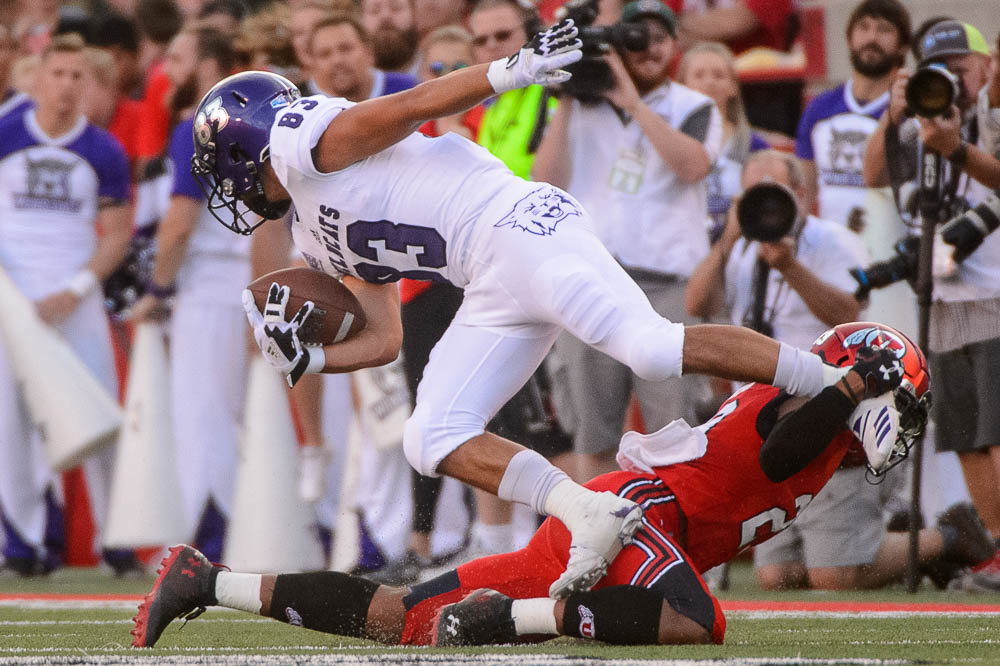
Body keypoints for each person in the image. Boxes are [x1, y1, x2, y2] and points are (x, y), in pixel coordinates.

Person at [189, 20, 862, 601]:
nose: (227, 185)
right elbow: (385, 336)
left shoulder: (302, 138)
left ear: (250, 144)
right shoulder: (309, 234)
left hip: (517, 224)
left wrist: (507, 73)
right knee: (433, 436)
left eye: (223, 164)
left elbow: (410, 103)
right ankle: (588, 512)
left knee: (651, 348)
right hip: (485, 278)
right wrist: (313, 357)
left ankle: (839, 380)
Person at [135, 322, 979, 649]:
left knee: (399, 620)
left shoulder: (823, 422)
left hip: (635, 526)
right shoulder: (798, 408)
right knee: (697, 620)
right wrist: (848, 392)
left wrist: (848, 401)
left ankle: (207, 579)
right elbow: (779, 455)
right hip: (638, 516)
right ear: (861, 379)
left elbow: (814, 454)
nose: (901, 420)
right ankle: (513, 621)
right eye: (899, 397)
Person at [533, 0, 719, 482]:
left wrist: (631, 101)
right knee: (593, 438)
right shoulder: (580, 107)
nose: (649, 48)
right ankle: (595, 550)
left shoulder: (692, 105)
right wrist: (571, 93)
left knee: (675, 437)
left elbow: (692, 166)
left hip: (666, 289)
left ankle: (685, 554)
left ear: (676, 45)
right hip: (593, 286)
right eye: (636, 37)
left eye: (659, 37)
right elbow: (545, 180)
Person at [862, 18, 1000, 575]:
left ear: (985, 66)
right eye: (940, 71)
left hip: (994, 292)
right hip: (941, 298)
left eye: (962, 68)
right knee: (965, 435)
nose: (953, 81)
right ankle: (994, 551)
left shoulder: (990, 115)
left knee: (998, 432)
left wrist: (957, 147)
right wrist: (893, 114)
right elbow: (873, 175)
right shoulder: (915, 120)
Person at [0, 33, 132, 575]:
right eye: (58, 74)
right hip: (11, 302)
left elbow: (117, 234)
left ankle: (118, 539)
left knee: (101, 414)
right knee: (9, 423)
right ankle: (22, 543)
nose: (67, 85)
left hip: (74, 300)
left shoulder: (104, 150)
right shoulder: (5, 133)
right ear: (35, 79)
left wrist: (74, 292)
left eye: (79, 76)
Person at [129, 28, 246, 564]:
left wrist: (158, 288)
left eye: (176, 59)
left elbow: (178, 226)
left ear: (206, 67)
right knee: (237, 415)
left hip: (210, 287)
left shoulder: (197, 125)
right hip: (262, 279)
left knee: (204, 419)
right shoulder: (260, 119)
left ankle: (206, 544)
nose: (165, 70)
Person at [796, 0, 910, 230]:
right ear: (849, 39)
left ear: (903, 46)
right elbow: (804, 192)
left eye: (884, 29)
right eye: (864, 27)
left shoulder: (910, 112)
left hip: (892, 248)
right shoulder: (819, 108)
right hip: (832, 251)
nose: (872, 38)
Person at [676, 40, 768, 240]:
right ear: (681, 85)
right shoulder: (669, 141)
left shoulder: (755, 144)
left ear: (734, 86)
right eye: (699, 75)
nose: (709, 82)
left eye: (719, 75)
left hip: (737, 244)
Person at [300, 13, 417, 101]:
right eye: (325, 54)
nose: (337, 60)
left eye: (345, 49)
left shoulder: (407, 89)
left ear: (368, 52)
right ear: (312, 63)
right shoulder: (298, 103)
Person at [361, 0, 420, 77]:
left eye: (396, 8)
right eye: (374, 10)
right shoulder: (348, 85)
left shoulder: (435, 73)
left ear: (415, 15)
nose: (385, 16)